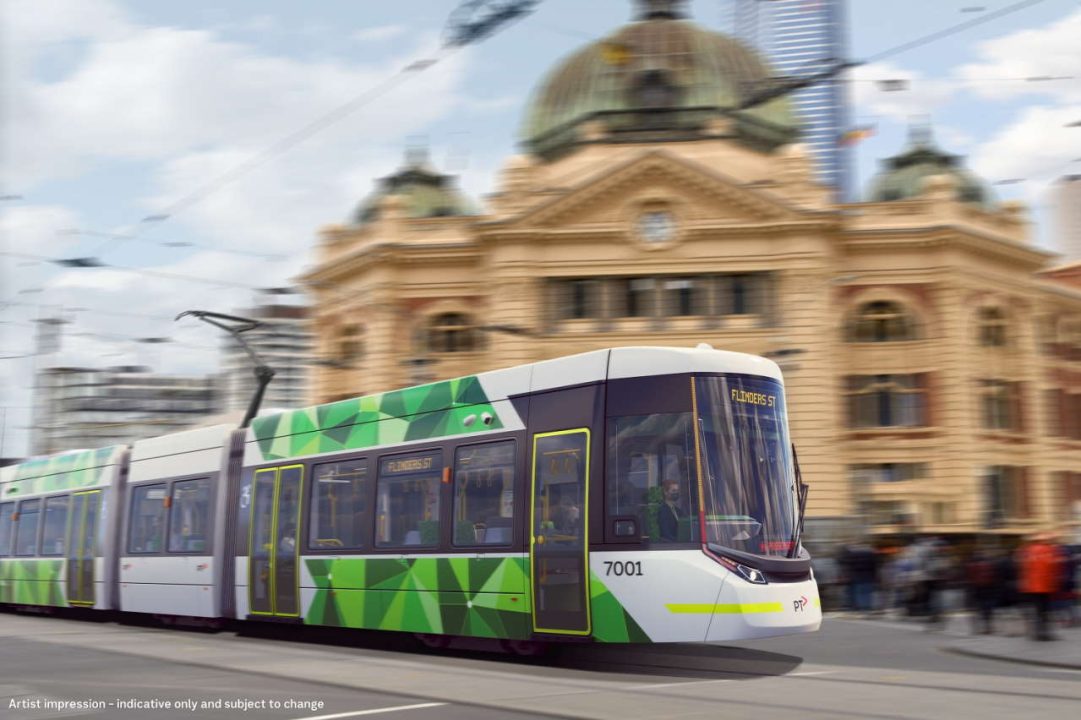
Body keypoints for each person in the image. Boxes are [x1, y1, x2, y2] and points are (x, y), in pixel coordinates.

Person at [1017, 531, 1062, 641]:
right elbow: (1055, 568)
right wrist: (1055, 583)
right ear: (1044, 540)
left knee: (1037, 610)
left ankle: (1037, 633)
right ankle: (1045, 633)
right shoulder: (1050, 550)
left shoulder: (1027, 551)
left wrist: (1025, 584)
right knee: (1045, 610)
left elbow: (1023, 568)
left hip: (1032, 586)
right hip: (1046, 586)